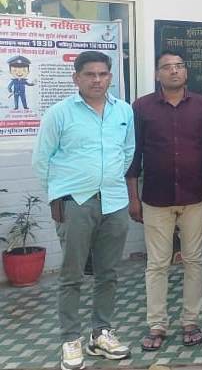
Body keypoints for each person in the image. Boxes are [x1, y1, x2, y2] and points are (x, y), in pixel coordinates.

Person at [32, 51, 134, 370]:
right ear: (76, 78)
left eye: (103, 74)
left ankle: (101, 333)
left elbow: (128, 150)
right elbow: (41, 159)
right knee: (72, 274)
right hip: (75, 202)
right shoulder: (59, 113)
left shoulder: (123, 110)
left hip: (114, 201)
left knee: (108, 273)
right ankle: (70, 340)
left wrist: (109, 179)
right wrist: (61, 193)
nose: (97, 80)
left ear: (110, 77)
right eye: (90, 74)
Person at [126, 51, 202, 351]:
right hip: (156, 197)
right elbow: (134, 154)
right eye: (167, 67)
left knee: (194, 261)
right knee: (157, 264)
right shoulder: (141, 107)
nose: (174, 71)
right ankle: (157, 324)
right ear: (157, 74)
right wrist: (133, 197)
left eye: (179, 66)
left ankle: (190, 321)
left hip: (195, 196)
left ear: (186, 72)